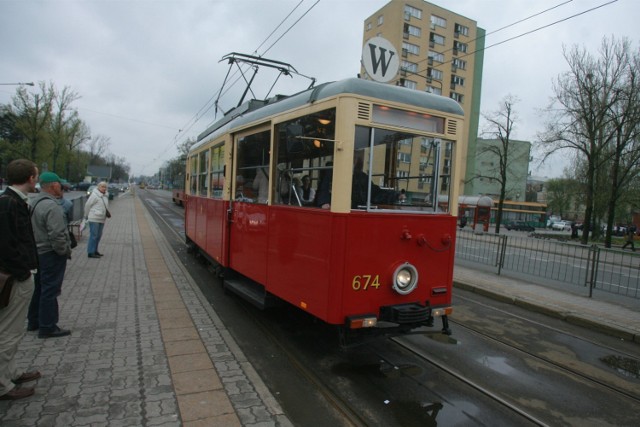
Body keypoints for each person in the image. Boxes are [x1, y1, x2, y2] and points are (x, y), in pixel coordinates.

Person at [0, 159, 41, 400]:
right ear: (30, 178)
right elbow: (6, 245)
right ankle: (3, 384)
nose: (36, 179)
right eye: (36, 176)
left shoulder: (12, 202)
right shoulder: (10, 204)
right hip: (15, 278)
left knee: (13, 329)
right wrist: (23, 271)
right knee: (8, 331)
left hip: (17, 275)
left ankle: (11, 372)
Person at [28, 172, 72, 339]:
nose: (62, 188)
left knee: (40, 287)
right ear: (54, 186)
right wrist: (63, 251)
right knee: (50, 290)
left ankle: (34, 321)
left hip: (38, 252)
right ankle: (48, 326)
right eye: (60, 185)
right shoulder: (52, 206)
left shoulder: (35, 202)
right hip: (51, 253)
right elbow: (57, 234)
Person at [84, 181, 110, 258]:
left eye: (105, 187)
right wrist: (86, 215)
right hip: (94, 218)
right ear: (98, 187)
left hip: (101, 218)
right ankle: (90, 252)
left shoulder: (105, 196)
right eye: (102, 186)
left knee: (98, 236)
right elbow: (87, 205)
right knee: (94, 235)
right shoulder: (94, 195)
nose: (104, 188)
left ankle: (95, 250)